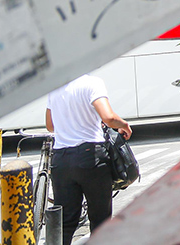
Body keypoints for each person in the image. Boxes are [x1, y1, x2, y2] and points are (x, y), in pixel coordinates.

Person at [46, 74, 133, 243]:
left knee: (65, 222)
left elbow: (50, 125)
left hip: (61, 160)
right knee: (100, 221)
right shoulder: (92, 83)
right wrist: (124, 125)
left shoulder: (55, 86)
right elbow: (108, 118)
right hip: (90, 156)